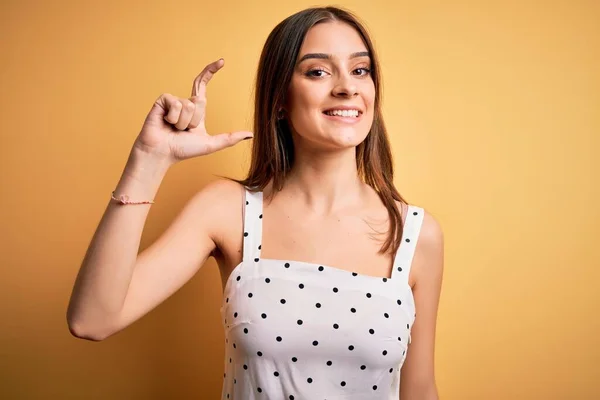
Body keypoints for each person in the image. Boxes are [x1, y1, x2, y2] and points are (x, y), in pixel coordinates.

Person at [67, 6, 444, 399]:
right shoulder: (227, 211)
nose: (347, 87)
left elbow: (419, 389)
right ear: (280, 98)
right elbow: (92, 320)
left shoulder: (417, 234)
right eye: (318, 71)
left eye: (360, 70)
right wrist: (149, 159)